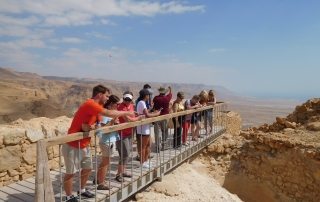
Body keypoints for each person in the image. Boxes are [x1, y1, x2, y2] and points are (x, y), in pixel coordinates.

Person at [62, 85, 135, 202]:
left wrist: (91, 127)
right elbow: (109, 113)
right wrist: (126, 113)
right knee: (71, 172)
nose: (107, 98)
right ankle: (68, 196)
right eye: (106, 96)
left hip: (84, 144)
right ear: (99, 95)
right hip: (73, 144)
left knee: (87, 168)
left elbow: (98, 126)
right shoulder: (90, 104)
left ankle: (82, 190)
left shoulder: (97, 107)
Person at [115, 91, 144, 182]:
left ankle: (123, 171)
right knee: (124, 154)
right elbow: (128, 120)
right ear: (123, 98)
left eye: (129, 99)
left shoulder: (131, 105)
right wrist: (138, 118)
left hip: (129, 133)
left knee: (126, 154)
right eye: (125, 99)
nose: (127, 101)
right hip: (121, 133)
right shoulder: (121, 107)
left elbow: (131, 113)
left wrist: (135, 113)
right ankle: (118, 174)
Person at [94, 95, 121, 190]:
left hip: (108, 140)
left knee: (104, 162)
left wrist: (114, 122)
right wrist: (113, 121)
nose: (118, 106)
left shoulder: (109, 113)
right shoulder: (106, 114)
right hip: (107, 141)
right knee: (106, 163)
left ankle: (98, 179)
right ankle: (101, 183)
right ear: (111, 104)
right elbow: (103, 128)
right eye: (117, 104)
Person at [136, 89, 161, 168]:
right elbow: (147, 115)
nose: (149, 97)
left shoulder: (141, 102)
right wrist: (157, 114)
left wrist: (152, 109)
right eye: (148, 95)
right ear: (146, 95)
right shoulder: (142, 102)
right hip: (143, 127)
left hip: (145, 127)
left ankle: (146, 161)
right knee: (143, 146)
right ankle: (142, 162)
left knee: (147, 145)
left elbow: (145, 112)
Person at [153, 86, 172, 151]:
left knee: (157, 132)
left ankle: (157, 147)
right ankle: (164, 146)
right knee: (165, 131)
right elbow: (170, 94)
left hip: (157, 117)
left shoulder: (156, 98)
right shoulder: (167, 98)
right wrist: (170, 89)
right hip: (164, 117)